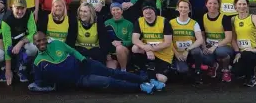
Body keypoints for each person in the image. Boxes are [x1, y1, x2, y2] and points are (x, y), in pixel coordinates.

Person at [28, 32, 165, 94]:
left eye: (42, 39)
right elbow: (40, 83)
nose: (41, 43)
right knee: (108, 81)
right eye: (38, 41)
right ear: (34, 43)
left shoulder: (57, 43)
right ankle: (140, 87)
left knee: (111, 72)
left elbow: (72, 51)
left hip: (85, 64)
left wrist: (82, 58)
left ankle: (146, 79)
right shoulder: (38, 62)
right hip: (80, 79)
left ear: (46, 38)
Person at [0, 0, 38, 85]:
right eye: (17, 8)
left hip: (21, 40)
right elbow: (7, 44)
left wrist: (21, 42)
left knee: (33, 47)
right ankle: (4, 68)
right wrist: (8, 71)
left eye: (22, 8)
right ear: (12, 7)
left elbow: (33, 33)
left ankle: (21, 67)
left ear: (26, 8)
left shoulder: (29, 14)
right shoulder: (7, 19)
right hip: (5, 40)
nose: (20, 12)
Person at [132, 0, 173, 84]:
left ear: (154, 10)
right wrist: (147, 49)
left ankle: (155, 74)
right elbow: (134, 39)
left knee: (162, 79)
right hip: (148, 52)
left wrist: (151, 49)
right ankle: (143, 69)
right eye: (145, 9)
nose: (148, 11)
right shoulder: (139, 21)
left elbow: (167, 42)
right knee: (134, 48)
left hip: (163, 54)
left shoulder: (164, 21)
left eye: (150, 8)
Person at [231, 0, 256, 87]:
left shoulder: (253, 17)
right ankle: (246, 73)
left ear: (247, 6)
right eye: (239, 4)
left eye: (244, 4)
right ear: (235, 6)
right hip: (241, 53)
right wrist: (237, 52)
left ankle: (251, 78)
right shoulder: (233, 19)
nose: (242, 6)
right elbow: (233, 38)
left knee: (247, 54)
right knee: (235, 71)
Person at [169, 0, 204, 84]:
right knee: (183, 71)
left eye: (185, 7)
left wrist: (187, 50)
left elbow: (200, 40)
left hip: (190, 51)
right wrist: (176, 53)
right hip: (177, 53)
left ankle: (197, 72)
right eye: (181, 7)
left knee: (197, 51)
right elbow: (167, 41)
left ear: (189, 9)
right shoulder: (171, 23)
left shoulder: (194, 23)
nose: (183, 9)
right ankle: (181, 68)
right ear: (177, 8)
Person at [200, 0, 234, 82]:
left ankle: (226, 71)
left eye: (215, 3)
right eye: (210, 3)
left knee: (220, 52)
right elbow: (202, 35)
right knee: (201, 53)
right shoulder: (203, 17)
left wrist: (215, 46)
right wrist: (204, 47)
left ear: (219, 5)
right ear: (206, 4)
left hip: (225, 46)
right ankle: (213, 66)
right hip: (209, 46)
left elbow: (228, 38)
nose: (212, 5)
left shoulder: (225, 18)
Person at [104, 2, 134, 71]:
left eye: (118, 9)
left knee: (119, 48)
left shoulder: (129, 24)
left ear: (122, 11)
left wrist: (121, 43)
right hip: (111, 53)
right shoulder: (106, 23)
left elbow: (131, 41)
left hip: (124, 52)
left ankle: (123, 70)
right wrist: (107, 54)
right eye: (113, 10)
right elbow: (104, 39)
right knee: (111, 71)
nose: (116, 12)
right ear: (111, 12)